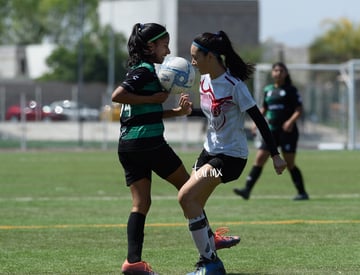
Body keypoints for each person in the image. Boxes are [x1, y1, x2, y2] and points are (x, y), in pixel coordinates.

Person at [111, 23, 239, 275]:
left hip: (129, 146)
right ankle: (210, 240)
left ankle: (133, 262)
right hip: (150, 144)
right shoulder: (145, 71)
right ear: (150, 46)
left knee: (141, 204)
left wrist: (176, 112)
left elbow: (143, 114)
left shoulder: (145, 71)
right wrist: (152, 98)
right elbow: (118, 96)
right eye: (164, 44)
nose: (167, 50)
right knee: (189, 190)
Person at [178, 31, 287, 275]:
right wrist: (189, 111)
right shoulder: (205, 81)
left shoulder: (234, 85)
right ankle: (211, 242)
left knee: (186, 197)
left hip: (230, 157)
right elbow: (211, 114)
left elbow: (259, 119)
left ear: (211, 56)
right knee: (192, 205)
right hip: (209, 151)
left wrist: (275, 155)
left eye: (196, 57)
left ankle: (210, 264)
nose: (192, 62)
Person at [233, 62, 309, 201]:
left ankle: (302, 192)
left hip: (288, 132)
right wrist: (256, 123)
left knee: (290, 163)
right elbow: (264, 109)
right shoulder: (268, 90)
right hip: (271, 132)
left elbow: (299, 110)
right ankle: (247, 190)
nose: (278, 73)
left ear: (286, 73)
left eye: (281, 70)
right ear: (272, 73)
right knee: (259, 159)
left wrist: (289, 121)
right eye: (275, 70)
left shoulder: (291, 90)